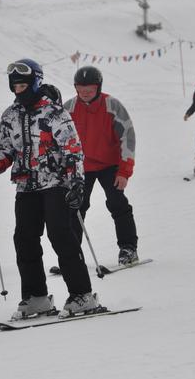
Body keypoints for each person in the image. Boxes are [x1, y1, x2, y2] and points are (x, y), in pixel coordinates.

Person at [0, 58, 101, 319]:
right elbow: (6, 151)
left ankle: (82, 295)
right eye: (15, 86)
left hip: (56, 183)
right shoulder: (10, 115)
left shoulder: (54, 113)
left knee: (60, 236)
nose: (18, 91)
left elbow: (72, 151)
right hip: (26, 186)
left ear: (35, 83)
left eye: (23, 85)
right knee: (24, 240)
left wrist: (77, 182)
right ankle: (36, 297)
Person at [63, 66, 139, 266]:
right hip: (81, 168)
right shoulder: (68, 108)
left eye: (89, 88)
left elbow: (127, 138)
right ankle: (71, 256)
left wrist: (124, 171)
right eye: (81, 88)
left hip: (110, 165)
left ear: (98, 87)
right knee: (76, 208)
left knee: (117, 204)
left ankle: (128, 249)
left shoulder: (112, 105)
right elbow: (59, 141)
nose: (85, 92)